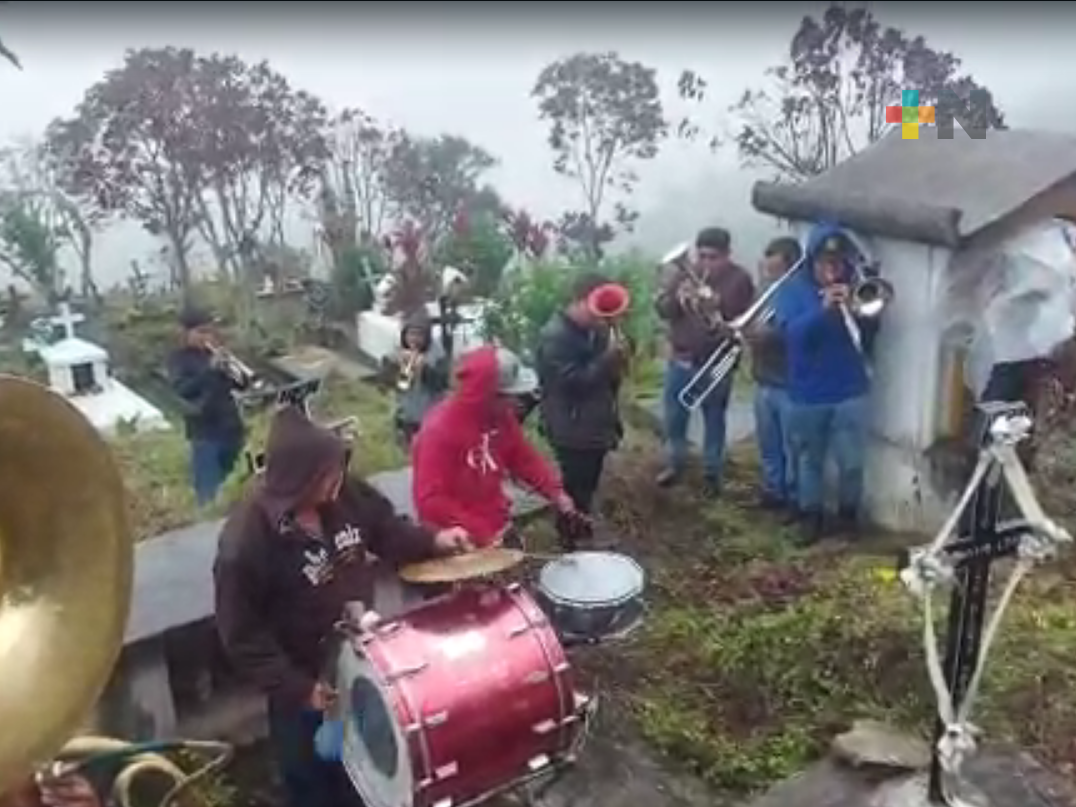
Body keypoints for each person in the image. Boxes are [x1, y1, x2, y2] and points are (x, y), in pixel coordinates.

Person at [213, 408, 471, 807]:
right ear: (298, 479)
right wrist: (300, 689)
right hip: (301, 681)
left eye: (338, 470)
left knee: (366, 771)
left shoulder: (345, 494)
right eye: (327, 475)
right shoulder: (246, 542)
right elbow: (242, 636)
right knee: (312, 780)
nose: (338, 479)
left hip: (360, 664)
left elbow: (387, 529)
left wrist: (434, 541)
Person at [774, 224, 880, 543]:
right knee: (810, 460)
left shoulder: (856, 286)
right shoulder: (792, 291)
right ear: (812, 261)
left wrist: (860, 312)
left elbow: (871, 335)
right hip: (808, 394)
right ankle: (811, 517)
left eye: (838, 262)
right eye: (825, 262)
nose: (832, 269)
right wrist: (822, 311)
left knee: (852, 463)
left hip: (850, 391)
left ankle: (848, 518)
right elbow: (793, 337)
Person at [412, 345, 577, 549]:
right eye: (509, 395)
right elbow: (431, 501)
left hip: (496, 525)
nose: (515, 402)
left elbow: (523, 458)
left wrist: (556, 493)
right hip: (455, 538)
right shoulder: (439, 431)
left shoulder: (500, 417)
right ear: (487, 395)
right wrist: (481, 533)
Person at [654, 226, 755, 495]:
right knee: (675, 419)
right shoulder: (683, 275)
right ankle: (675, 464)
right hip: (682, 359)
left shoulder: (739, 279)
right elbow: (663, 311)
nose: (706, 263)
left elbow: (738, 319)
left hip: (716, 361)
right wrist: (677, 298)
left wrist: (714, 304)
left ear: (727, 255)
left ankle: (712, 474)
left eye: (713, 258)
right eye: (702, 256)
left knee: (714, 419)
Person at [534, 273, 628, 550]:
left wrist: (618, 359)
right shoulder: (555, 336)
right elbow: (571, 382)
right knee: (575, 487)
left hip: (592, 423)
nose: (603, 319)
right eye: (596, 309)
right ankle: (568, 542)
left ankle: (581, 532)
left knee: (587, 485)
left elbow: (604, 380)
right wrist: (606, 360)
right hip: (571, 427)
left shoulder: (594, 330)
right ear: (578, 301)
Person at [167, 307, 248, 506]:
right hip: (205, 432)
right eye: (201, 332)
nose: (207, 337)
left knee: (237, 489)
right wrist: (210, 370)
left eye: (210, 331)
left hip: (231, 428)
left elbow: (241, 385)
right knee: (208, 494)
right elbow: (183, 389)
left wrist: (235, 370)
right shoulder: (178, 359)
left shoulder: (215, 355)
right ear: (186, 333)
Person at [745, 237, 802, 512]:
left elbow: (803, 335)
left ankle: (794, 499)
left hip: (789, 383)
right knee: (769, 445)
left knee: (793, 448)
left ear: (792, 267)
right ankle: (773, 491)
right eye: (768, 270)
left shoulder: (803, 295)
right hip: (763, 378)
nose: (771, 277)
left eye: (776, 271)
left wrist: (773, 335)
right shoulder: (764, 291)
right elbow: (748, 323)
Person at [385, 311, 450, 449]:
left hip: (430, 417)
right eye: (411, 334)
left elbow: (443, 383)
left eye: (419, 335)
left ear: (427, 336)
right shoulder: (398, 351)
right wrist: (394, 367)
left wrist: (423, 368)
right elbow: (391, 383)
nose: (414, 339)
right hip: (405, 416)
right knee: (408, 452)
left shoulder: (437, 353)